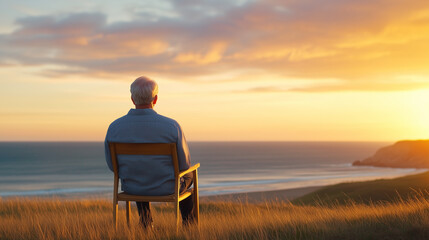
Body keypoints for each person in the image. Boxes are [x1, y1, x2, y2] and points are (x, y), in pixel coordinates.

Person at [104, 76, 194, 228]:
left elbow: (113, 167)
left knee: (140, 171)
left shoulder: (114, 127)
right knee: (191, 175)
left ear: (132, 99)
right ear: (156, 99)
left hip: (132, 187)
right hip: (167, 188)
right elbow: (184, 165)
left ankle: (145, 222)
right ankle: (189, 227)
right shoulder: (171, 126)